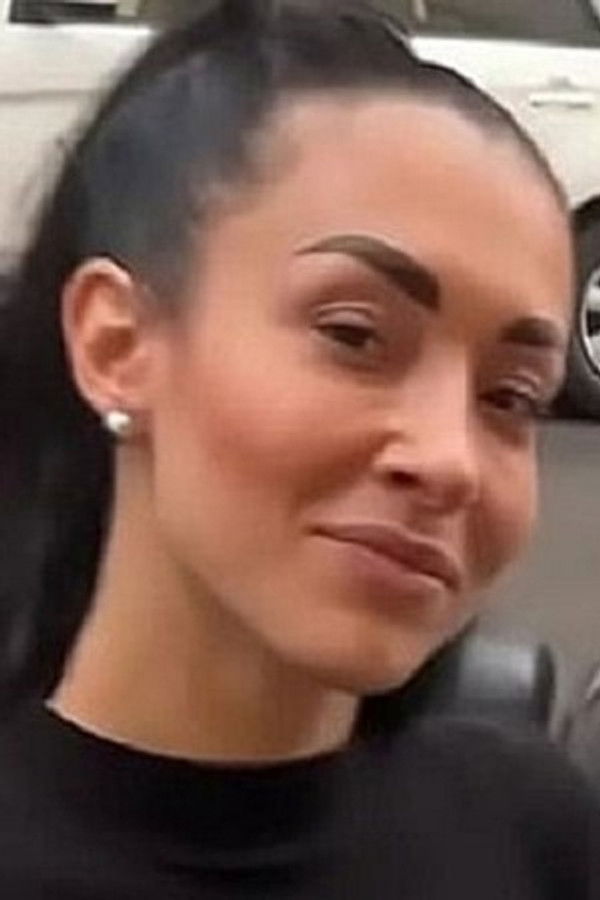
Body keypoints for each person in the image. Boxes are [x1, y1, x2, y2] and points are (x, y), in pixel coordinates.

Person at [0, 1, 596, 897]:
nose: (449, 460)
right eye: (354, 335)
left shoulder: (535, 837)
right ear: (117, 345)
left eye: (510, 398)